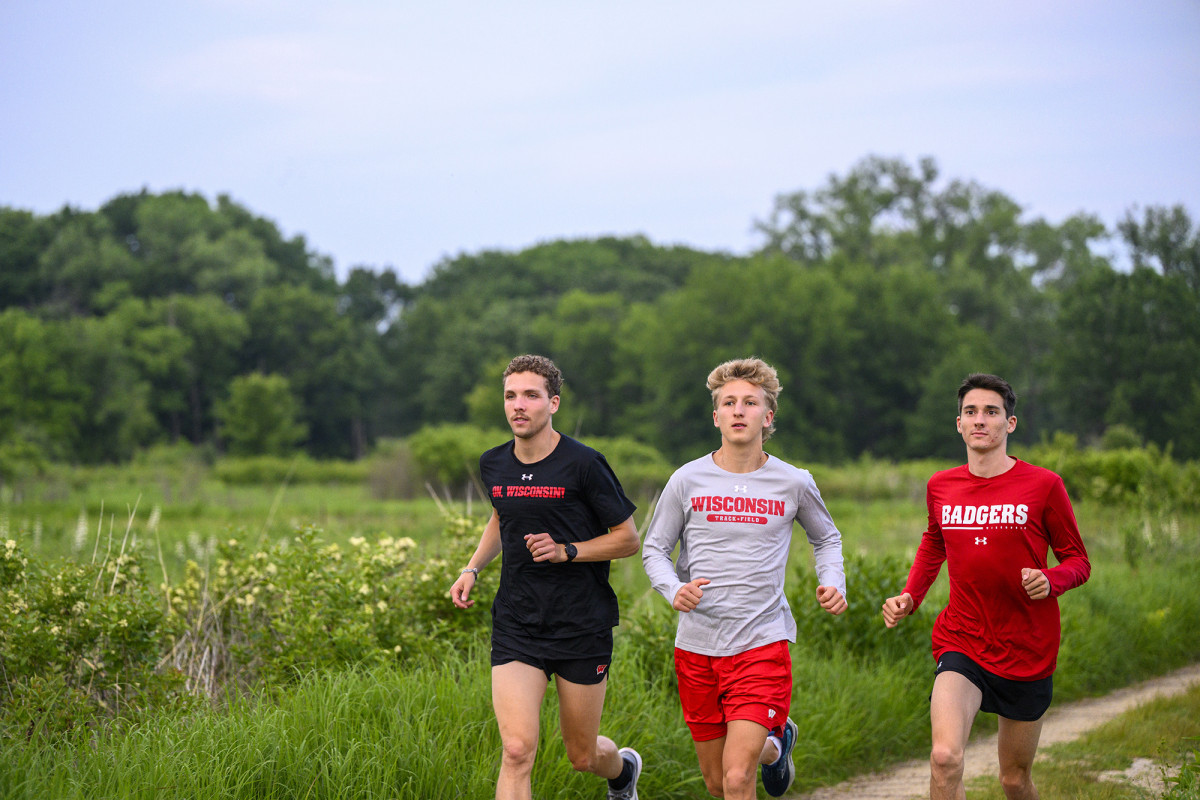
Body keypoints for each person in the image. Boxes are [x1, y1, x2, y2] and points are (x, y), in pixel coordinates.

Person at [641, 357, 847, 800]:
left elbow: (827, 538)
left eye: (750, 402)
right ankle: (778, 746)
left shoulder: (793, 481)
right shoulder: (686, 479)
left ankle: (766, 747)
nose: (739, 410)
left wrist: (834, 582)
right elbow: (655, 549)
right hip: (697, 645)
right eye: (729, 403)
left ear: (767, 416)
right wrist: (674, 589)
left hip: (762, 640)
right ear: (715, 416)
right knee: (718, 784)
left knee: (738, 778)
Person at [881, 373, 1091, 800]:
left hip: (1027, 647)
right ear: (958, 423)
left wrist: (1051, 580)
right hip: (963, 638)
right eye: (971, 412)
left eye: (991, 412)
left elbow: (1079, 561)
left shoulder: (1044, 486)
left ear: (1009, 424)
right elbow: (933, 543)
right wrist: (911, 596)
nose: (980, 420)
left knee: (1013, 779)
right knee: (944, 759)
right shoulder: (941, 486)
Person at [450, 354, 644, 800]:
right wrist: (472, 568)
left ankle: (622, 772)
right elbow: (503, 515)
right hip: (518, 622)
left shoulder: (585, 464)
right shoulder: (493, 463)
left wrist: (567, 551)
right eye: (510, 396)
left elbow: (627, 539)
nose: (519, 405)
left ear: (553, 403)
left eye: (531, 396)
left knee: (583, 756)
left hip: (581, 624)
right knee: (516, 750)